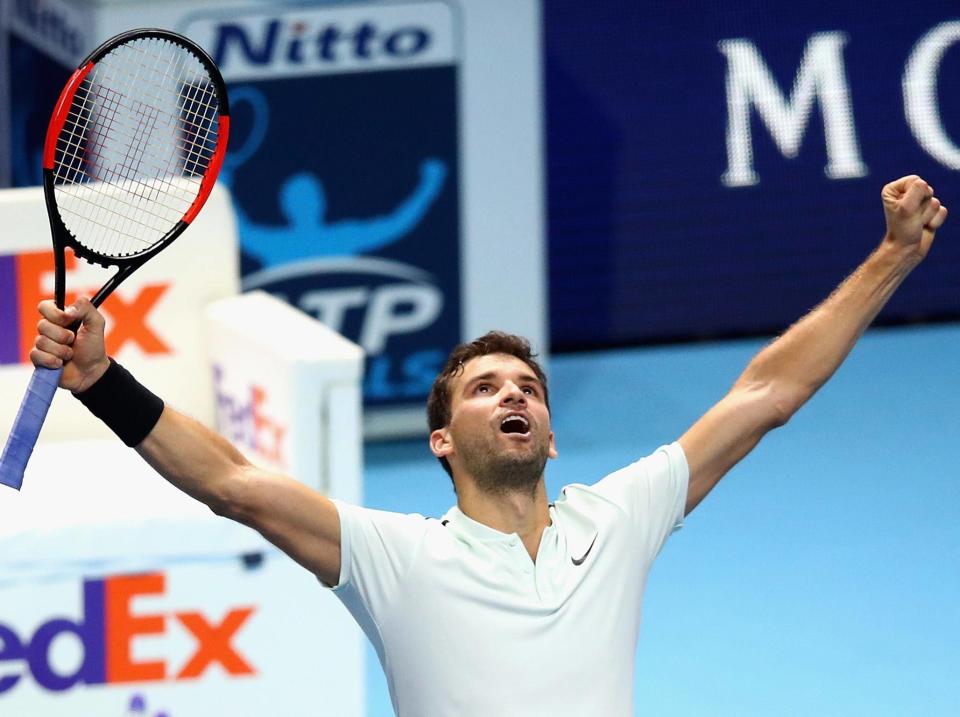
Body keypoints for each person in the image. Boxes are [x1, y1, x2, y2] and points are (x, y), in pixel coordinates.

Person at [30, 175, 947, 716]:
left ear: (549, 439)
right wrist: (105, 382)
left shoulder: (619, 514)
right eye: (485, 387)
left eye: (530, 389)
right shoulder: (395, 557)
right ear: (441, 439)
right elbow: (232, 481)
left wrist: (893, 259)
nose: (515, 393)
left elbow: (767, 392)